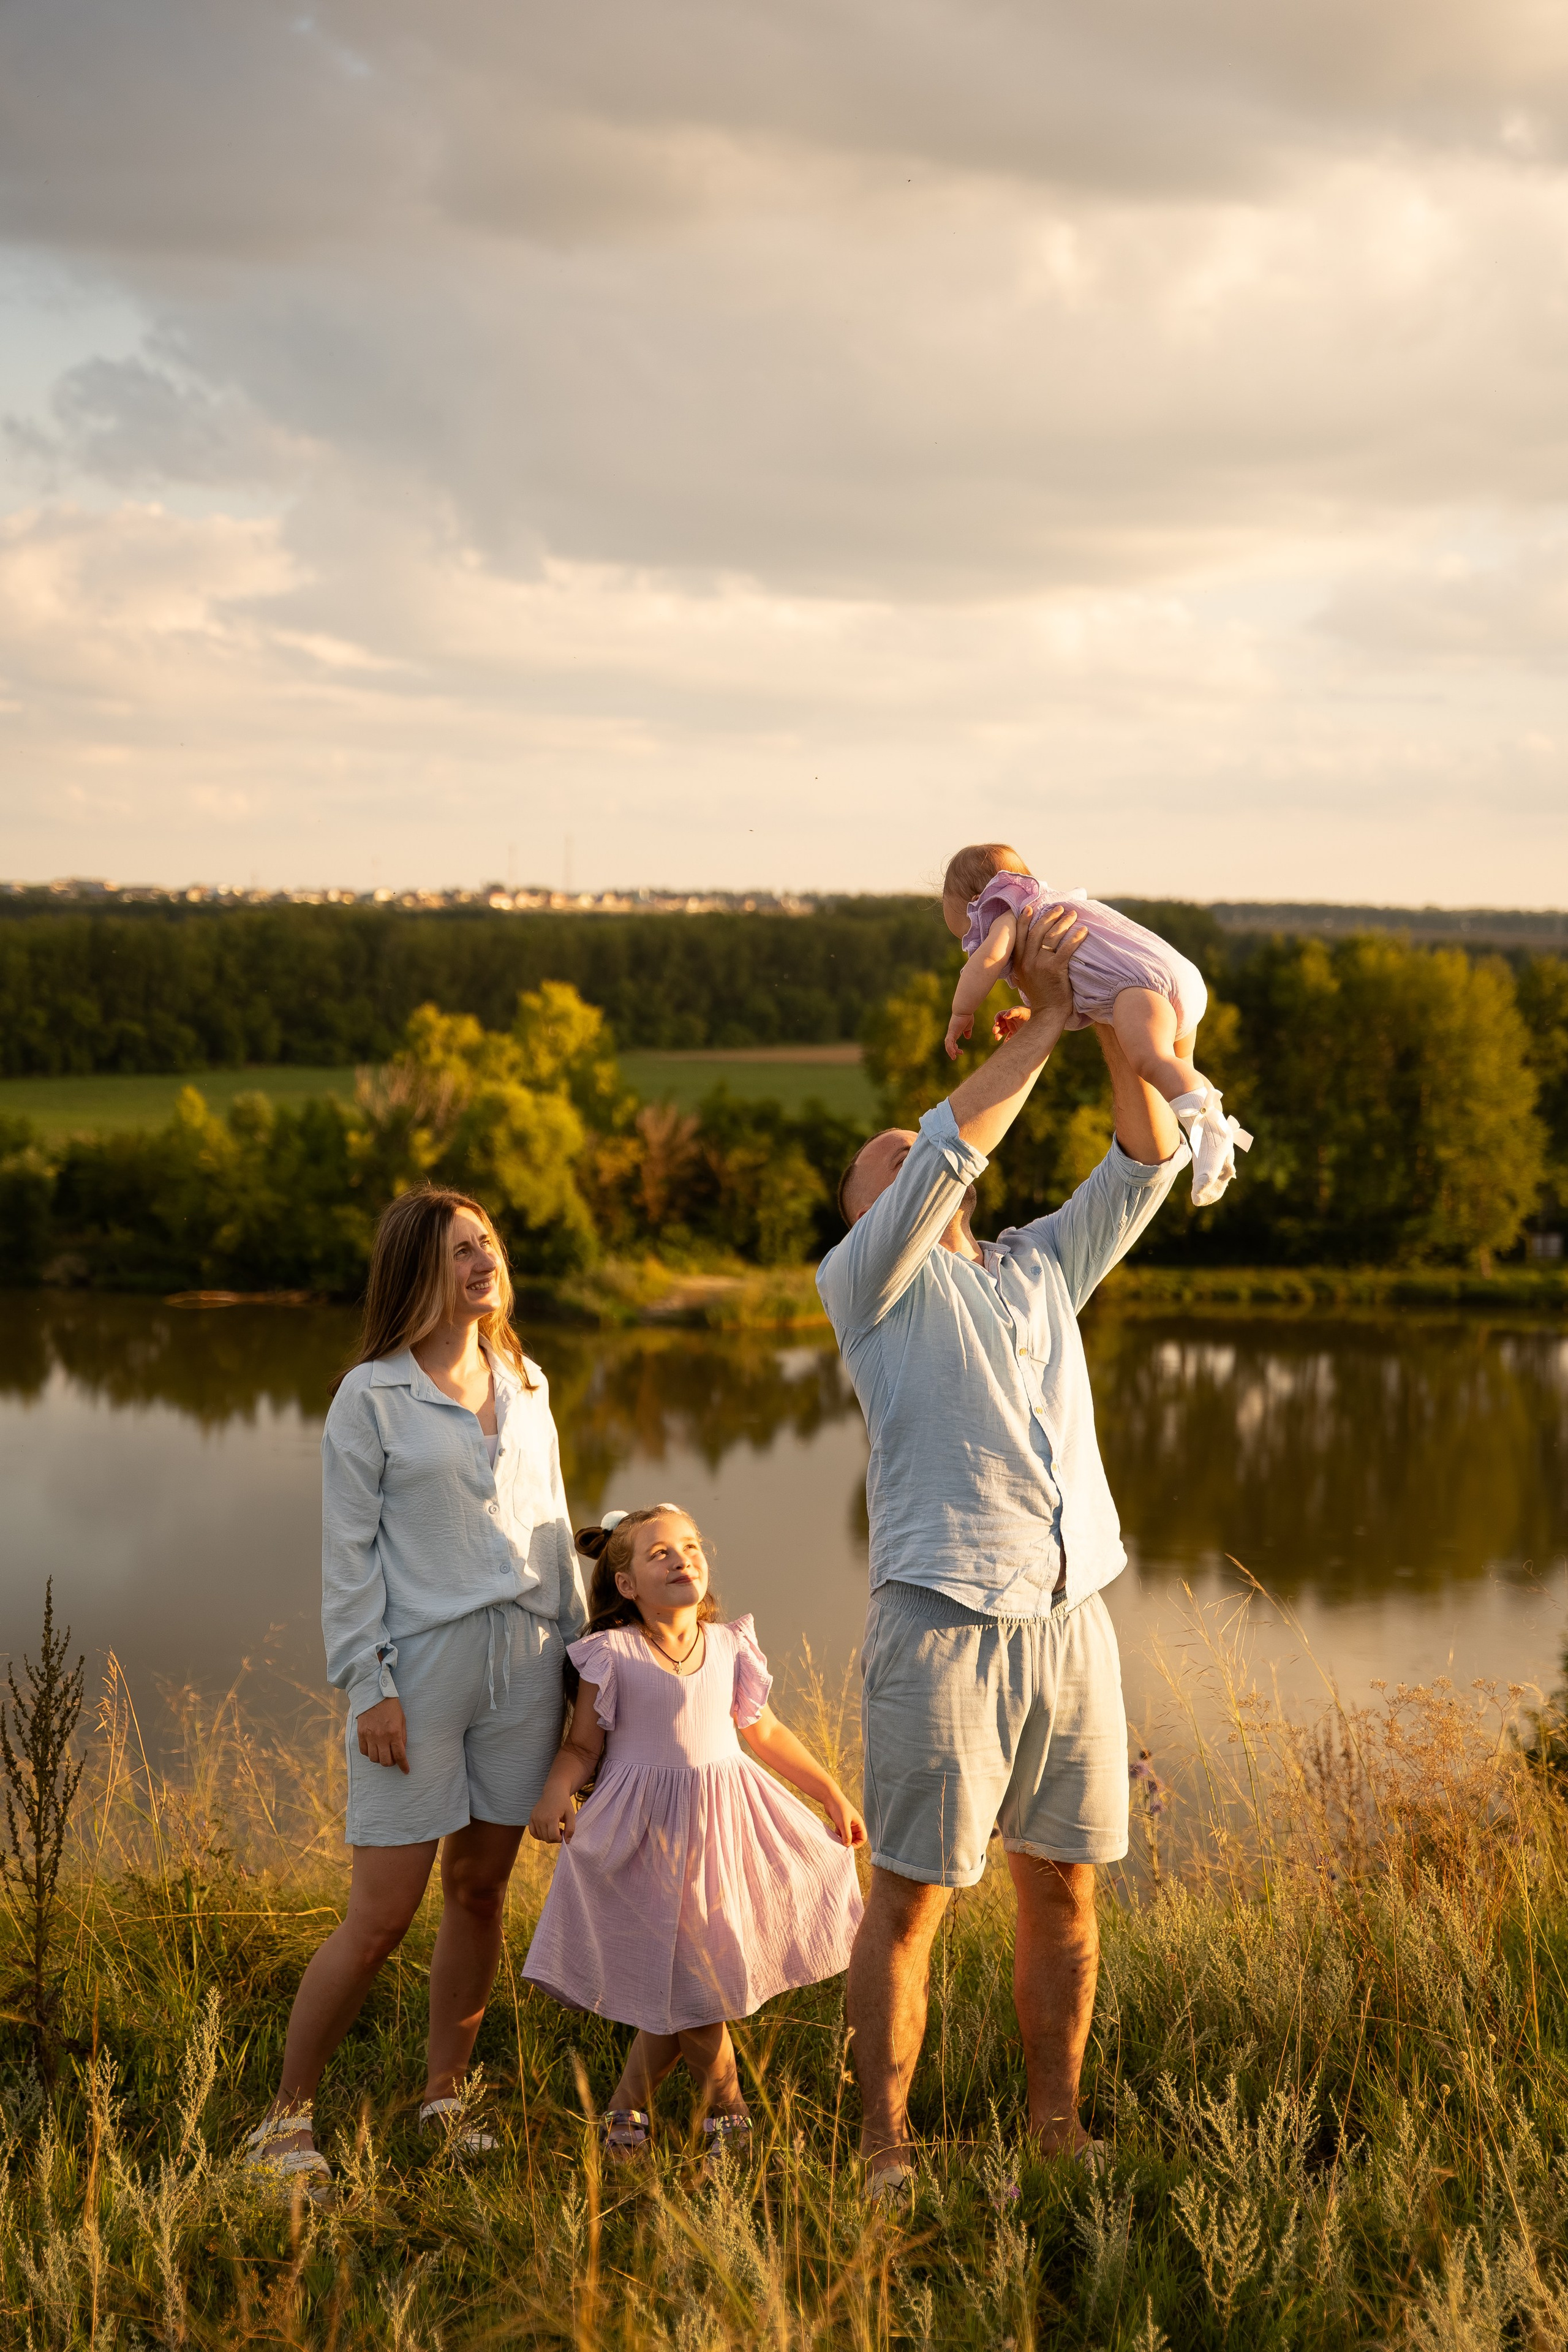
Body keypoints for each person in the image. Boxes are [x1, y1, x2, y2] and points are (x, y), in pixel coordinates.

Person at [818, 900, 1188, 2202]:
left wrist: (1105, 1023)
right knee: (912, 1903)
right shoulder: (864, 1288)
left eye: (904, 1157)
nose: (909, 1166)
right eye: (887, 1163)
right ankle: (883, 2148)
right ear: (865, 1209)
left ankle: (1053, 2127)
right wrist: (1035, 1017)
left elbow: (1141, 1166)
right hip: (940, 1625)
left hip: (1069, 1616)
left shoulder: (1036, 1271)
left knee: (1066, 1894)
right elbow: (945, 1156)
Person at [242, 1186, 586, 2194]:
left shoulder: (528, 1379)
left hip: (525, 1665)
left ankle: (446, 2095)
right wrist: (370, 1687)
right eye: (458, 1251)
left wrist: (579, 1674)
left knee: (480, 1890)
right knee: (381, 1916)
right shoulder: (372, 1398)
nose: (484, 1261)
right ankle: (285, 2119)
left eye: (488, 1243)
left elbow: (557, 1530)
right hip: (418, 1675)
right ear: (415, 1273)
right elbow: (348, 1559)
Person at [522, 1504, 865, 2162]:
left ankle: (629, 2109)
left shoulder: (732, 1645)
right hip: (644, 1835)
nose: (683, 1559)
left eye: (691, 1546)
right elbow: (582, 1747)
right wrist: (554, 1791)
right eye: (660, 1554)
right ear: (626, 1584)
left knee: (686, 1978)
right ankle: (727, 2108)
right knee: (690, 1978)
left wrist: (829, 1791)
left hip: (721, 1828)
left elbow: (763, 1732)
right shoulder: (612, 1654)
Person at [941, 840, 1250, 1205]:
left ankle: (1211, 1134)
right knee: (1177, 1071)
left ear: (985, 899)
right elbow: (1078, 998)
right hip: (1171, 978)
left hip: (1141, 986)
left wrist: (962, 1010)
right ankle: (1213, 1147)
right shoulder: (1052, 912)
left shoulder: (1009, 912)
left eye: (967, 930)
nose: (971, 942)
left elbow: (988, 960)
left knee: (1150, 1060)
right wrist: (1032, 1012)